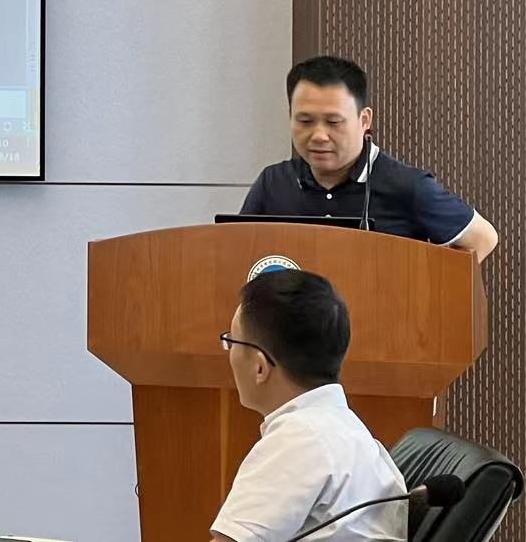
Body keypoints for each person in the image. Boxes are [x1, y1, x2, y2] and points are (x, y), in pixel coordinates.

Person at [212, 269, 407, 542]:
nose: (230, 353)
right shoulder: (344, 428)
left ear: (259, 367)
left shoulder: (297, 440)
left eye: (231, 342)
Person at [239, 55, 498, 261]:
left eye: (333, 122)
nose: (318, 136)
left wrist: (425, 293)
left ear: (364, 120)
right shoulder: (273, 182)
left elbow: (483, 239)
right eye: (305, 121)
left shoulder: (408, 186)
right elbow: (238, 251)